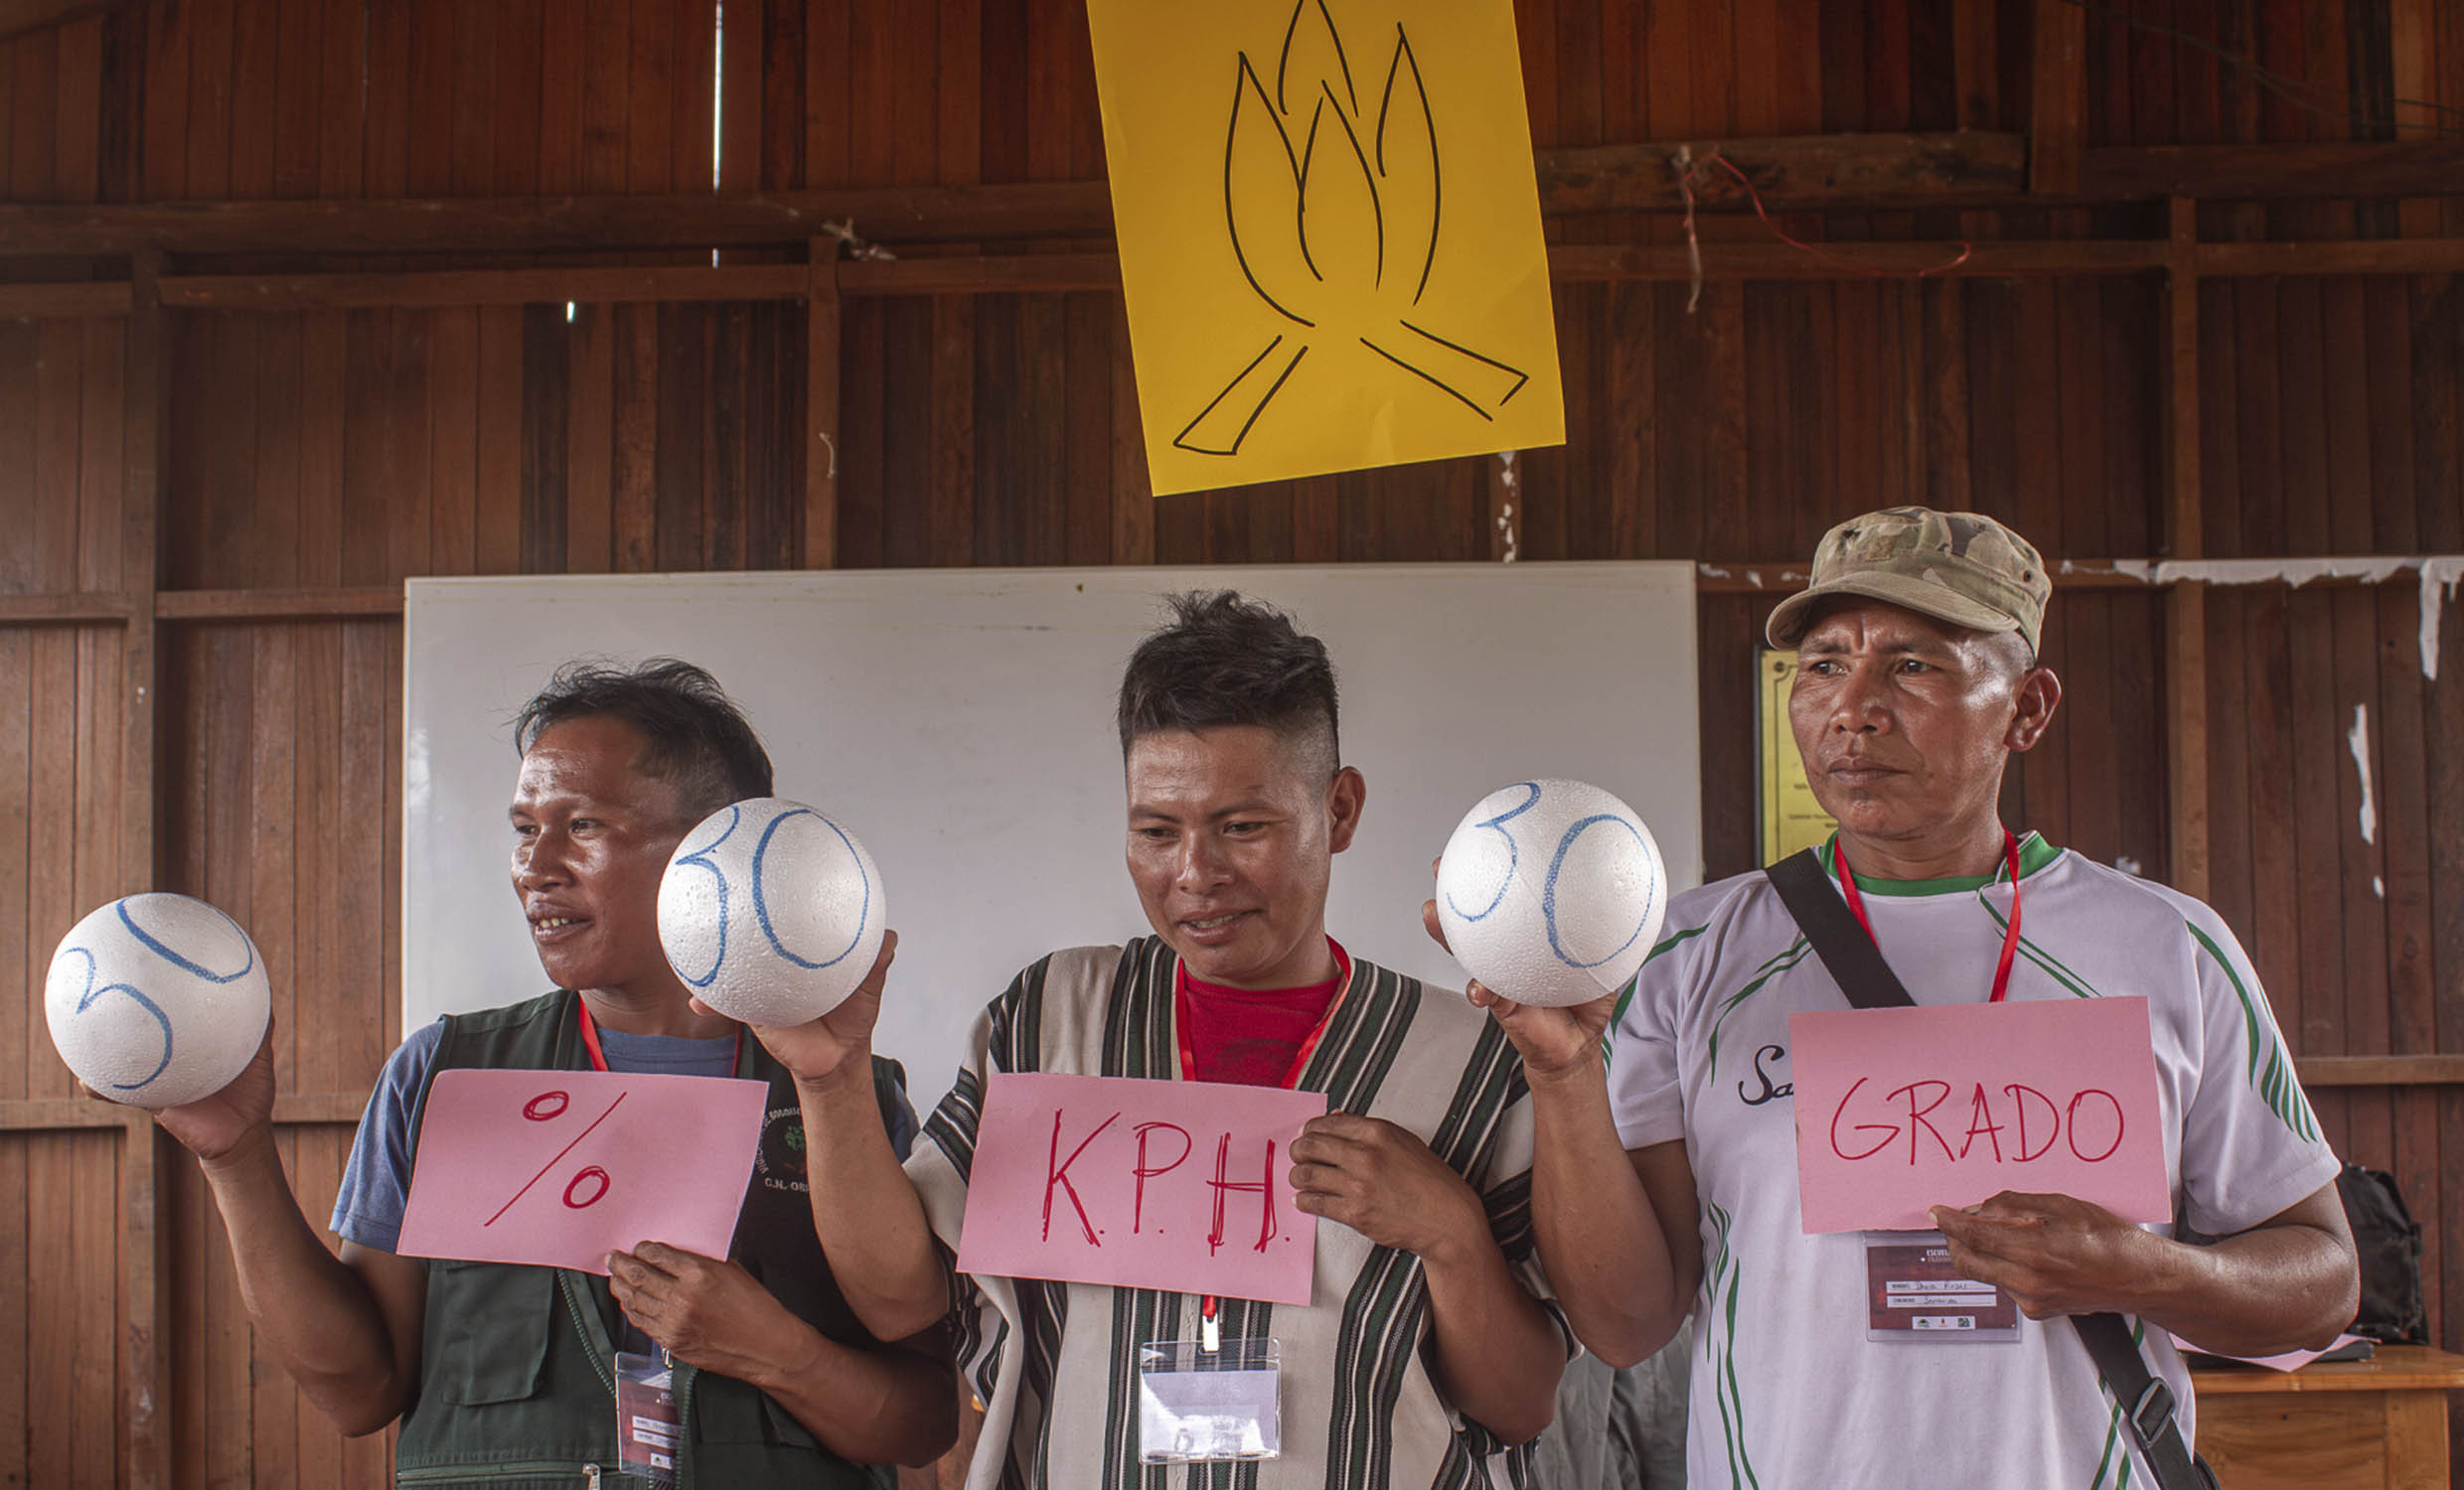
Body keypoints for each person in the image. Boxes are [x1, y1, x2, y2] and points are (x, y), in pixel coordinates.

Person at [1463, 508, 2359, 1487]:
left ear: (2026, 709)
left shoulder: (2169, 947)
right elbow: (1626, 1325)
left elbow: (2322, 1286)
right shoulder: (1686, 956)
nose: (1853, 709)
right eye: (1822, 665)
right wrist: (1562, 1073)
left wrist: (2142, 1271)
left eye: (1913, 665)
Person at [754, 591, 1573, 1487]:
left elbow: (1522, 1404)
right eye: (1155, 830)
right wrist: (832, 1081)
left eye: (1243, 827)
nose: (1194, 874)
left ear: (1339, 810)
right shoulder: (1050, 1020)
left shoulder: (1465, 1058)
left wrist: (1452, 1236)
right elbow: (901, 1303)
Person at [141, 659, 956, 1485]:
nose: (537, 866)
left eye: (585, 825)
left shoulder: (839, 1089)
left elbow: (924, 1423)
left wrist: (780, 1354)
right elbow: (358, 1395)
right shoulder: (444, 1075)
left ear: (716, 847)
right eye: (526, 829)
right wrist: (235, 1158)